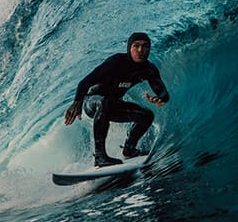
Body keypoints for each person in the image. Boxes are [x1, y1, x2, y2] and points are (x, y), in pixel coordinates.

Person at [64, 32, 170, 167]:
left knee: (147, 115)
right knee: (103, 102)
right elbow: (85, 82)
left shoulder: (149, 70)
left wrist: (161, 98)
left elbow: (162, 91)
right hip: (93, 102)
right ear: (129, 48)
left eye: (145, 46)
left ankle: (129, 149)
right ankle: (100, 157)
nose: (140, 50)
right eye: (136, 46)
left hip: (113, 105)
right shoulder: (116, 62)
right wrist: (77, 102)